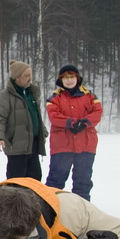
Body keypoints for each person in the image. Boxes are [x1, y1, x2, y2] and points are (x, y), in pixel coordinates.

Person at [45, 64, 103, 201]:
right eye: (65, 78)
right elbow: (54, 116)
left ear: (77, 78)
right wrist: (70, 123)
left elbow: (97, 112)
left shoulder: (90, 97)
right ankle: (49, 210)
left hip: (85, 146)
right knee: (55, 181)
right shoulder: (54, 98)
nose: (69, 80)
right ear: (61, 80)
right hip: (62, 147)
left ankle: (82, 212)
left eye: (71, 77)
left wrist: (84, 123)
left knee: (83, 182)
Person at [0, 60, 48, 180]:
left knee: (35, 179)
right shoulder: (4, 97)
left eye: (30, 75)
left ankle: (33, 199)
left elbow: (35, 116)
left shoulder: (31, 93)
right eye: (26, 76)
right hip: (15, 146)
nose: (30, 78)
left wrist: (43, 131)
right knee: (16, 182)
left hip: (33, 144)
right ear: (17, 77)